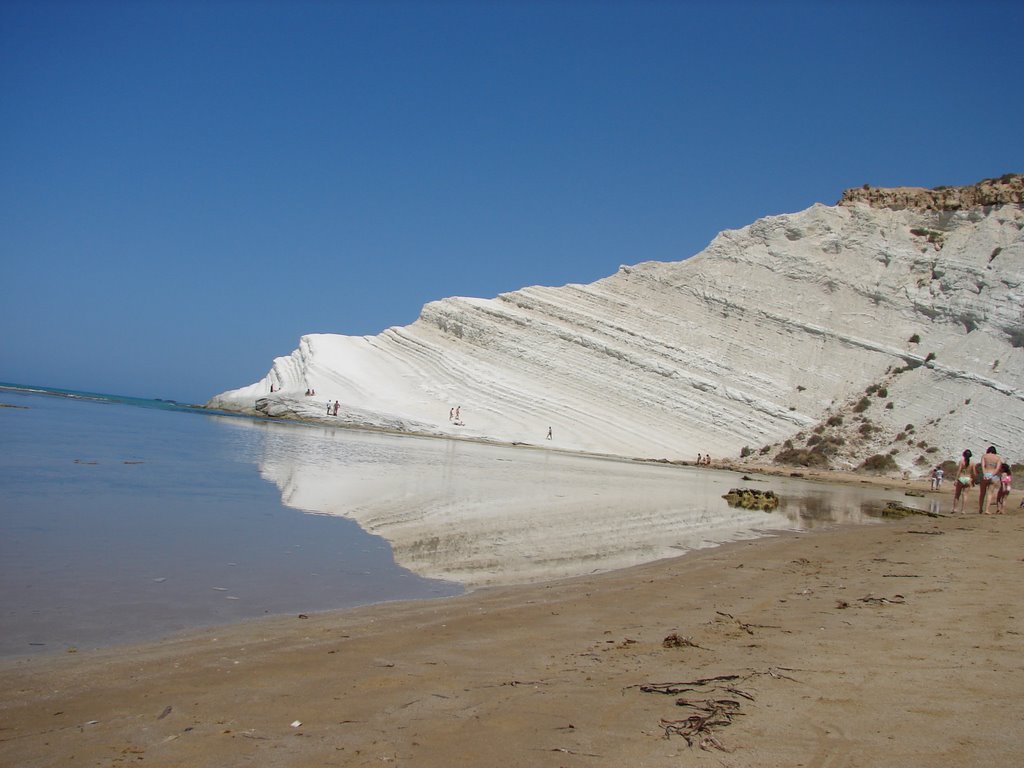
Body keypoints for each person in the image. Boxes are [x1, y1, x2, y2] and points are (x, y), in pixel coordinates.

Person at [978, 446, 1002, 515]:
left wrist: (985, 474)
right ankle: (987, 510)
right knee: (990, 493)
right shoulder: (998, 458)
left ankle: (980, 509)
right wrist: (991, 475)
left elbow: (982, 466)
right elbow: (997, 468)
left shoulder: (984, 456)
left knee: (982, 493)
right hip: (993, 476)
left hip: (985, 474)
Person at [952, 449, 973, 514]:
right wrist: (973, 479)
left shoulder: (961, 461)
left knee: (957, 494)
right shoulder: (972, 463)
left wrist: (956, 479)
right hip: (968, 478)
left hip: (961, 478)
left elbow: (959, 470)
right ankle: (963, 510)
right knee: (965, 495)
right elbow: (974, 472)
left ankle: (955, 509)